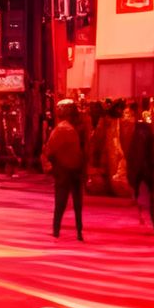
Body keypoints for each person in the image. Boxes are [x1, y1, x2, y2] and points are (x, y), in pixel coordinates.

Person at [44, 100, 87, 241]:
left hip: (64, 171)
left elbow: (49, 150)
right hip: (77, 169)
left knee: (60, 203)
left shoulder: (61, 129)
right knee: (77, 204)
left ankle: (56, 230)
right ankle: (79, 231)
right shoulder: (79, 128)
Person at [126, 104, 154, 232]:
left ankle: (142, 216)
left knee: (139, 192)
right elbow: (151, 153)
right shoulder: (148, 134)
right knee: (149, 194)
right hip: (146, 168)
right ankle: (151, 220)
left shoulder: (136, 135)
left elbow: (133, 153)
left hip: (140, 167)